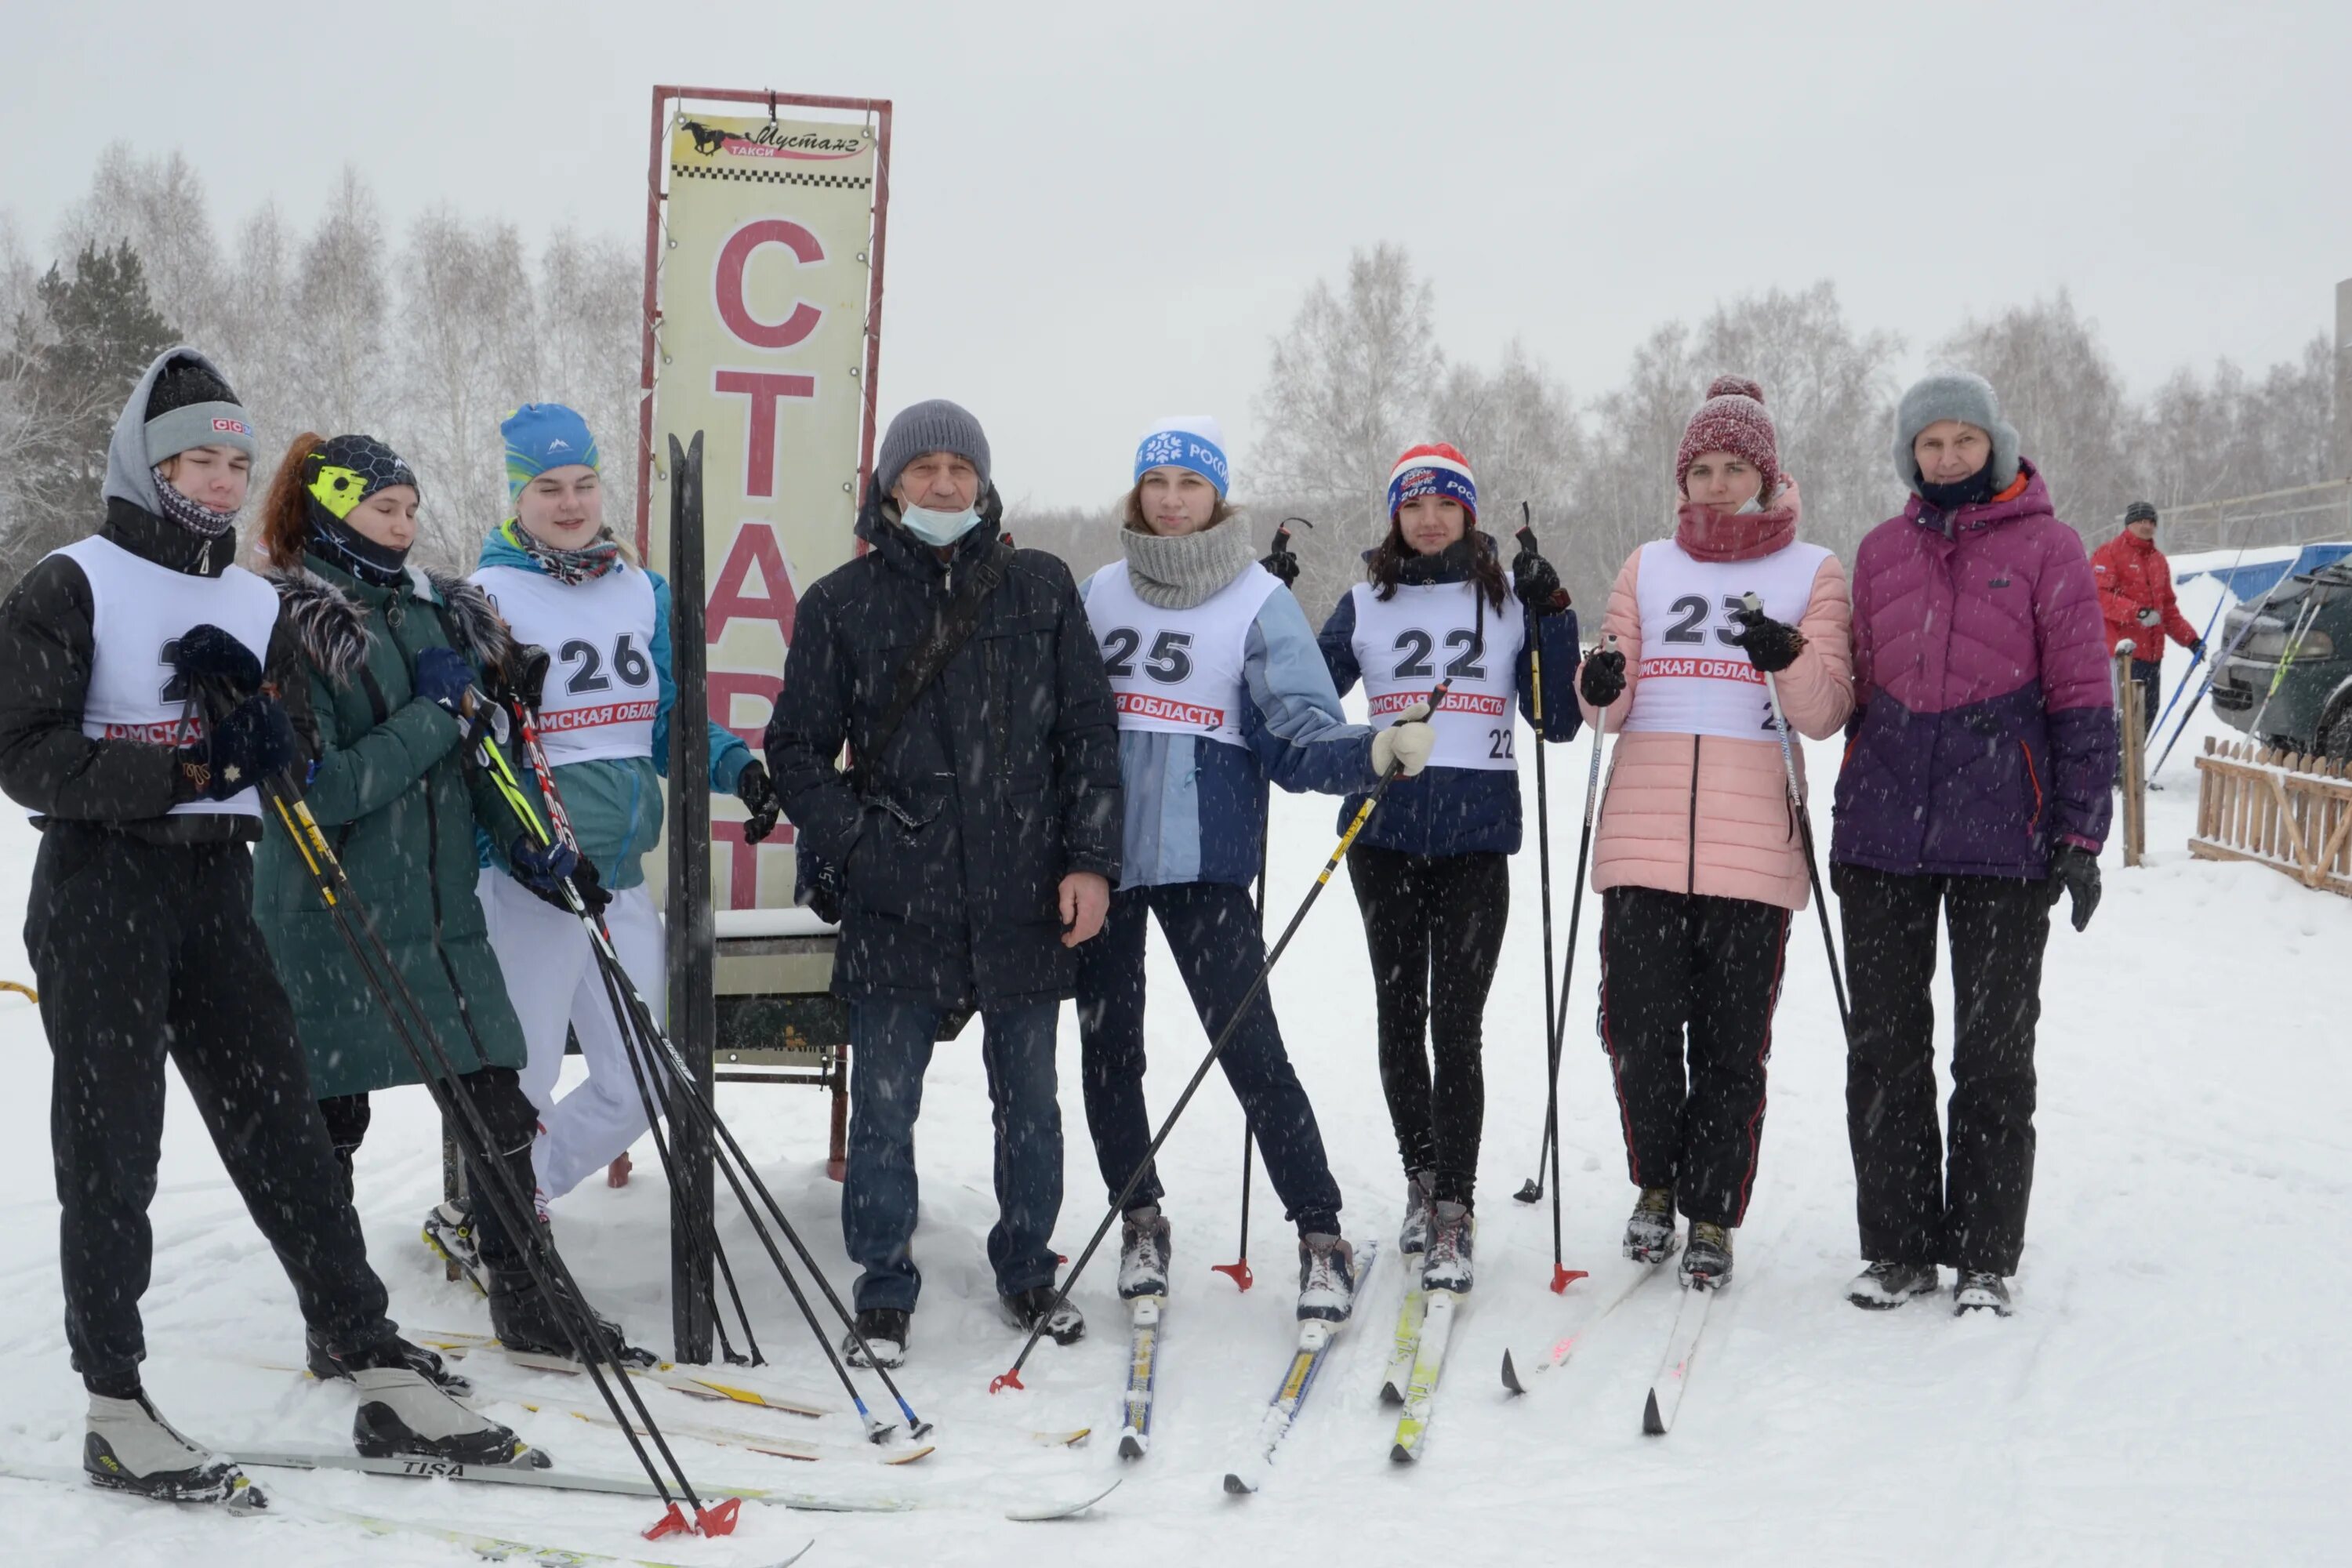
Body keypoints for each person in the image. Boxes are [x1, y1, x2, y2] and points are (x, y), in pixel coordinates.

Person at [0, 349, 525, 1508]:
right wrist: (187, 761)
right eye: (199, 458)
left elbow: (280, 749)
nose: (225, 481)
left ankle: (367, 1351)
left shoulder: (250, 597)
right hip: (100, 890)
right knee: (113, 1149)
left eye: (240, 462)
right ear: (148, 460)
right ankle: (114, 1401)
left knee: (284, 1127)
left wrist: (267, 740)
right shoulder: (70, 580)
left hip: (213, 890)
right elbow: (26, 754)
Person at [247, 428, 649, 1367]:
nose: (403, 527)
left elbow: (481, 755)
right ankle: (342, 1323)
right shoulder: (285, 625)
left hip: (439, 916)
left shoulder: (436, 612)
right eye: (383, 510)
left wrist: (531, 842)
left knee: (499, 1110)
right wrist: (435, 715)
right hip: (332, 917)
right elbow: (323, 790)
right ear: (328, 511)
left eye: (411, 509)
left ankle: (533, 1305)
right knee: (330, 1127)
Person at [766, 400, 1123, 1367]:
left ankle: (1026, 1270)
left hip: (1024, 892)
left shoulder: (1040, 587)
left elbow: (1089, 735)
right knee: (884, 1107)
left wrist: (1089, 858)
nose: (943, 483)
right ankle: (882, 1285)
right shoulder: (840, 603)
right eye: (922, 467)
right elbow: (795, 749)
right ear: (889, 485)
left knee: (1032, 1104)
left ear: (982, 480)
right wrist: (865, 844)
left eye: (958, 467)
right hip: (899, 901)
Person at [1075, 417, 1431, 1323]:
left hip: (1207, 863)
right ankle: (1141, 1218)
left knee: (1253, 1051)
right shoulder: (1099, 592)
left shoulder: (1255, 601)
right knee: (1111, 1050)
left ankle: (1321, 1234)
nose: (1169, 499)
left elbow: (1300, 735)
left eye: (1189, 486)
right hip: (1100, 860)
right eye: (1155, 483)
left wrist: (1375, 748)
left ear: (1217, 498)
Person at [1832, 371, 2113, 1318]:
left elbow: (2082, 698)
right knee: (1885, 1047)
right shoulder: (1878, 553)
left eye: (1963, 440)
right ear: (1908, 455)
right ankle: (1900, 1247)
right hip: (1884, 838)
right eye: (1929, 443)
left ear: (1995, 441)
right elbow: (1859, 694)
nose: (1947, 457)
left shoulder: (2051, 548)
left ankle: (1985, 1255)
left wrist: (2078, 832)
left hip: (2005, 838)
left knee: (1993, 1053)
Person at [1572, 379, 1853, 1292]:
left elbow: (1826, 710)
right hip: (1644, 837)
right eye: (1703, 468)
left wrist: (1792, 657)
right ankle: (1656, 1182)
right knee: (1638, 1033)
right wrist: (1601, 674)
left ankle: (1712, 1211)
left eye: (1737, 467)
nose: (1719, 484)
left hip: (1754, 848)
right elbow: (1603, 710)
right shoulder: (1647, 564)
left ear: (1767, 475)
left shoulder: (1813, 570)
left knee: (1733, 1045)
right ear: (1681, 478)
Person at [466, 403, 780, 1213]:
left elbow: (670, 716)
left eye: (584, 484)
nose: (570, 504)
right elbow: (470, 751)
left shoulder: (641, 589)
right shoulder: (487, 593)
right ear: (516, 497)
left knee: (642, 1076)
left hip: (623, 877)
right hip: (534, 877)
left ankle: (512, 1194)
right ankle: (506, 1229)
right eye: (547, 487)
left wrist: (736, 766)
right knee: (525, 1074)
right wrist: (504, 844)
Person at [1317, 441, 1580, 1294]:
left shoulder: (1505, 602)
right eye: (1413, 504)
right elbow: (1306, 697)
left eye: (1446, 504)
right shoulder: (1365, 600)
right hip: (1384, 836)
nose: (1429, 518)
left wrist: (1553, 610)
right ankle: (1422, 1180)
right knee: (1401, 1014)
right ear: (1394, 515)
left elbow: (1557, 717)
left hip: (1475, 843)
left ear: (1470, 513)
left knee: (1456, 1025)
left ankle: (1456, 1209)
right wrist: (1270, 611)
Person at [2092, 500, 2201, 740]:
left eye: (2151, 522)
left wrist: (2191, 640)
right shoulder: (2109, 552)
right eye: (2141, 521)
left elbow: (2168, 609)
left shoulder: (2159, 561)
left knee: (2147, 712)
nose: (2146, 526)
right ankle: (2117, 774)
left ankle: (2135, 774)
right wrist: (2137, 612)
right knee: (2124, 716)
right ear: (2129, 523)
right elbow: (2098, 595)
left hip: (2152, 654)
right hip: (2123, 654)